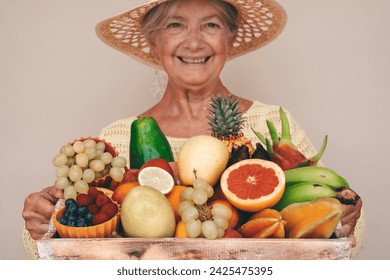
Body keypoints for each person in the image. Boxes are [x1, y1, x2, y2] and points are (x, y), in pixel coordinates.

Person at [22, 0, 364, 259]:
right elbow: (59, 249)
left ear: (230, 39)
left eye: (211, 25)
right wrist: (45, 223)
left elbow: (337, 237)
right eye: (175, 25)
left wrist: (346, 220)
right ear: (153, 43)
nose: (195, 42)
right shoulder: (116, 139)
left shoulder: (271, 124)